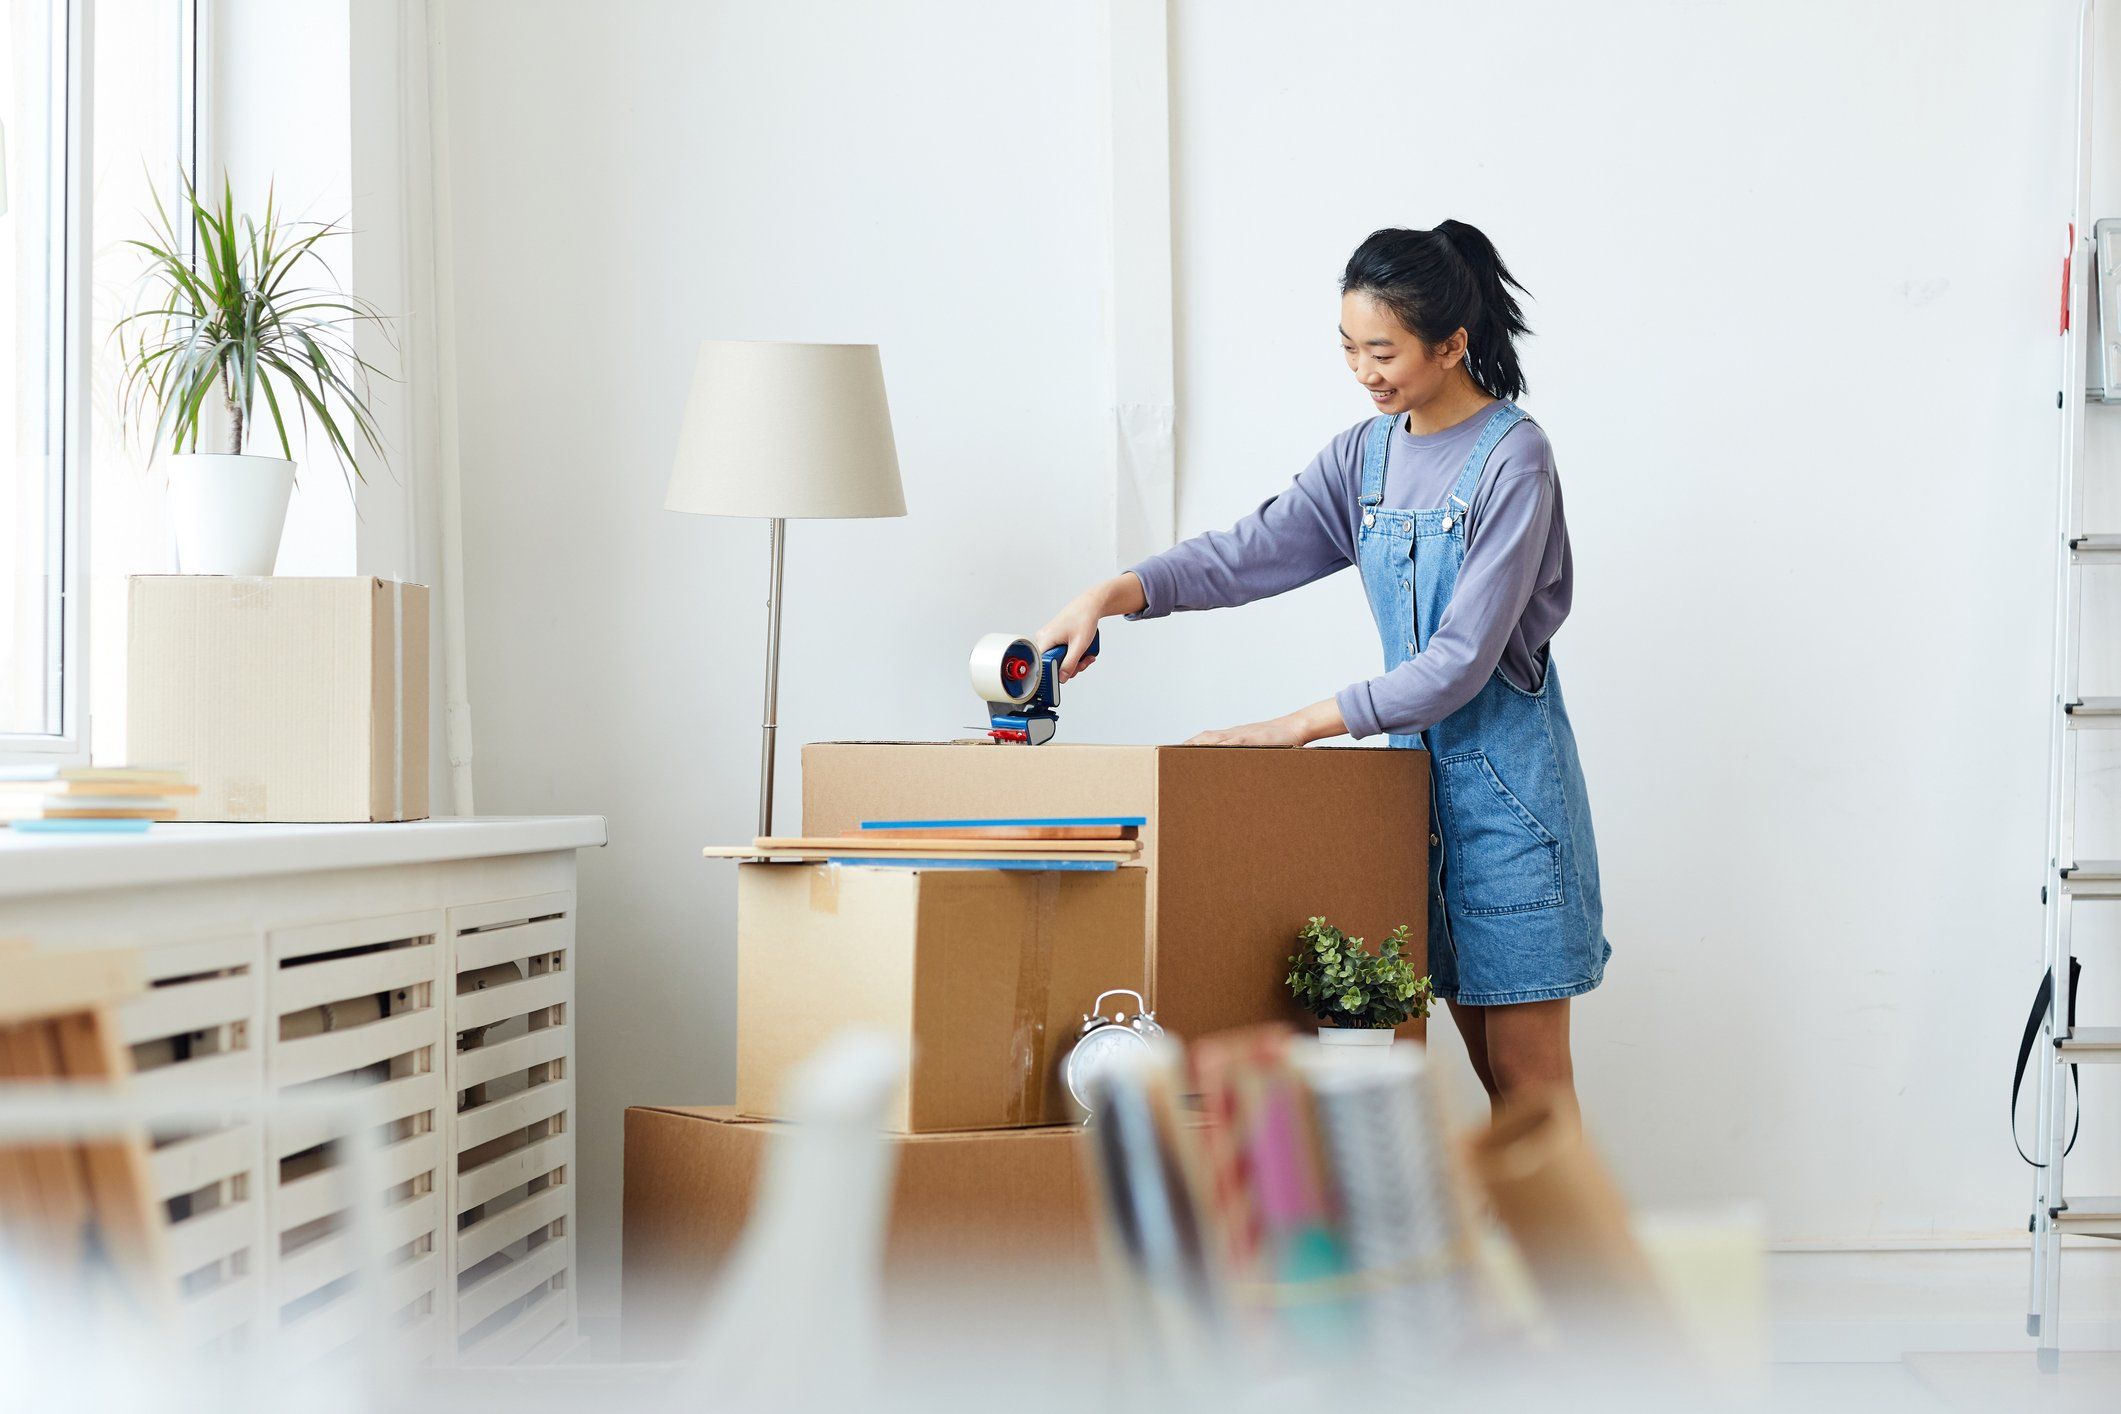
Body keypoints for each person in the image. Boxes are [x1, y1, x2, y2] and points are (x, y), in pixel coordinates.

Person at [1034, 221, 1609, 1115]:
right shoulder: (1363, 458)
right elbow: (1249, 552)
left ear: (1452, 344)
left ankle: (1572, 1259)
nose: (1363, 372)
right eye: (1349, 349)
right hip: (1408, 807)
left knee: (1531, 1092)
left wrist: (1293, 726)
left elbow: (1459, 663)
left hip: (1510, 808)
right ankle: (1503, 1254)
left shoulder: (1513, 459)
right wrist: (1114, 593)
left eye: (1383, 352)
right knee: (1483, 1087)